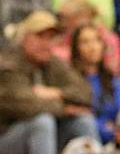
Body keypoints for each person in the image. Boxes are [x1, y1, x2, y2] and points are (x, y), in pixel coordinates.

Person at [0, 10, 98, 153]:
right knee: (42, 122)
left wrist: (56, 93)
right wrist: (64, 109)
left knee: (83, 122)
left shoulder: (52, 63)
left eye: (51, 37)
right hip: (7, 137)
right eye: (40, 37)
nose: (46, 43)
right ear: (24, 38)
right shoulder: (9, 64)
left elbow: (85, 92)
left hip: (47, 136)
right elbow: (24, 105)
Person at [71, 23, 120, 144]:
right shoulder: (71, 80)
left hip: (116, 138)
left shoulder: (112, 79)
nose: (92, 47)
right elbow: (81, 115)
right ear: (76, 49)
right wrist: (107, 130)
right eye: (85, 42)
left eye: (96, 40)